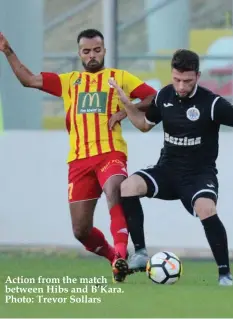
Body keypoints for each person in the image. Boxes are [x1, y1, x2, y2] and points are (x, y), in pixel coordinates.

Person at [0, 29, 156, 282]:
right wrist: (7, 51)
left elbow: (153, 96)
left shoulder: (119, 77)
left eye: (97, 50)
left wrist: (126, 110)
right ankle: (114, 259)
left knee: (115, 189)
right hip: (79, 161)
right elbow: (28, 79)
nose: (92, 55)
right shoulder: (69, 81)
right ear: (79, 54)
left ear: (104, 51)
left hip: (110, 152)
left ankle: (120, 251)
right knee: (81, 230)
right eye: (87, 51)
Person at [109, 49, 233, 286]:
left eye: (187, 81)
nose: (181, 86)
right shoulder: (164, 95)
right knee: (128, 186)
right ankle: (141, 253)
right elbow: (144, 125)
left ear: (198, 75)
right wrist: (127, 104)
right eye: (177, 80)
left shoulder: (212, 103)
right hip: (167, 171)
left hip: (198, 175)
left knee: (206, 209)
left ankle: (225, 274)